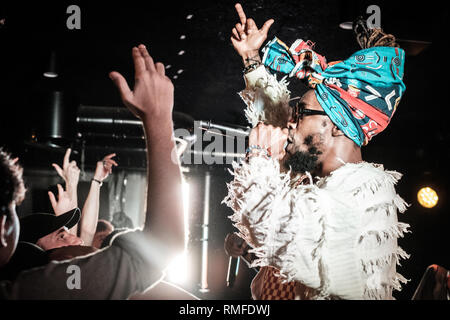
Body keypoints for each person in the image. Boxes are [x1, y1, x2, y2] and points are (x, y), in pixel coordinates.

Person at [223, 3, 410, 300]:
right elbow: (276, 119)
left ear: (335, 125)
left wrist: (259, 156)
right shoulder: (325, 181)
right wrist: (251, 59)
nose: (291, 121)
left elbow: (273, 232)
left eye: (300, 112)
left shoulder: (362, 193)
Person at [0, 44, 185, 299]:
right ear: (3, 228)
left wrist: (93, 183)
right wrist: (158, 117)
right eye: (62, 234)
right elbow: (162, 245)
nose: (74, 238)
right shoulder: (37, 291)